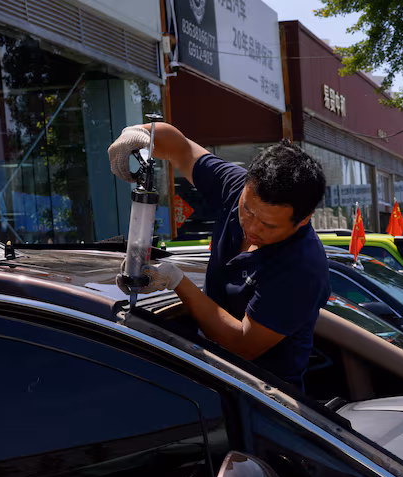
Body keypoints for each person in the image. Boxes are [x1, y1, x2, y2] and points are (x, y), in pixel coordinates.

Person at [108, 123, 330, 390]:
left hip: (263, 398)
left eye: (268, 225)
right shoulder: (237, 186)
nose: (251, 227)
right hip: (207, 370)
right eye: (247, 210)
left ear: (303, 219)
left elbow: (241, 344)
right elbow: (181, 148)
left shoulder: (302, 268)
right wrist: (140, 134)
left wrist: (176, 281)